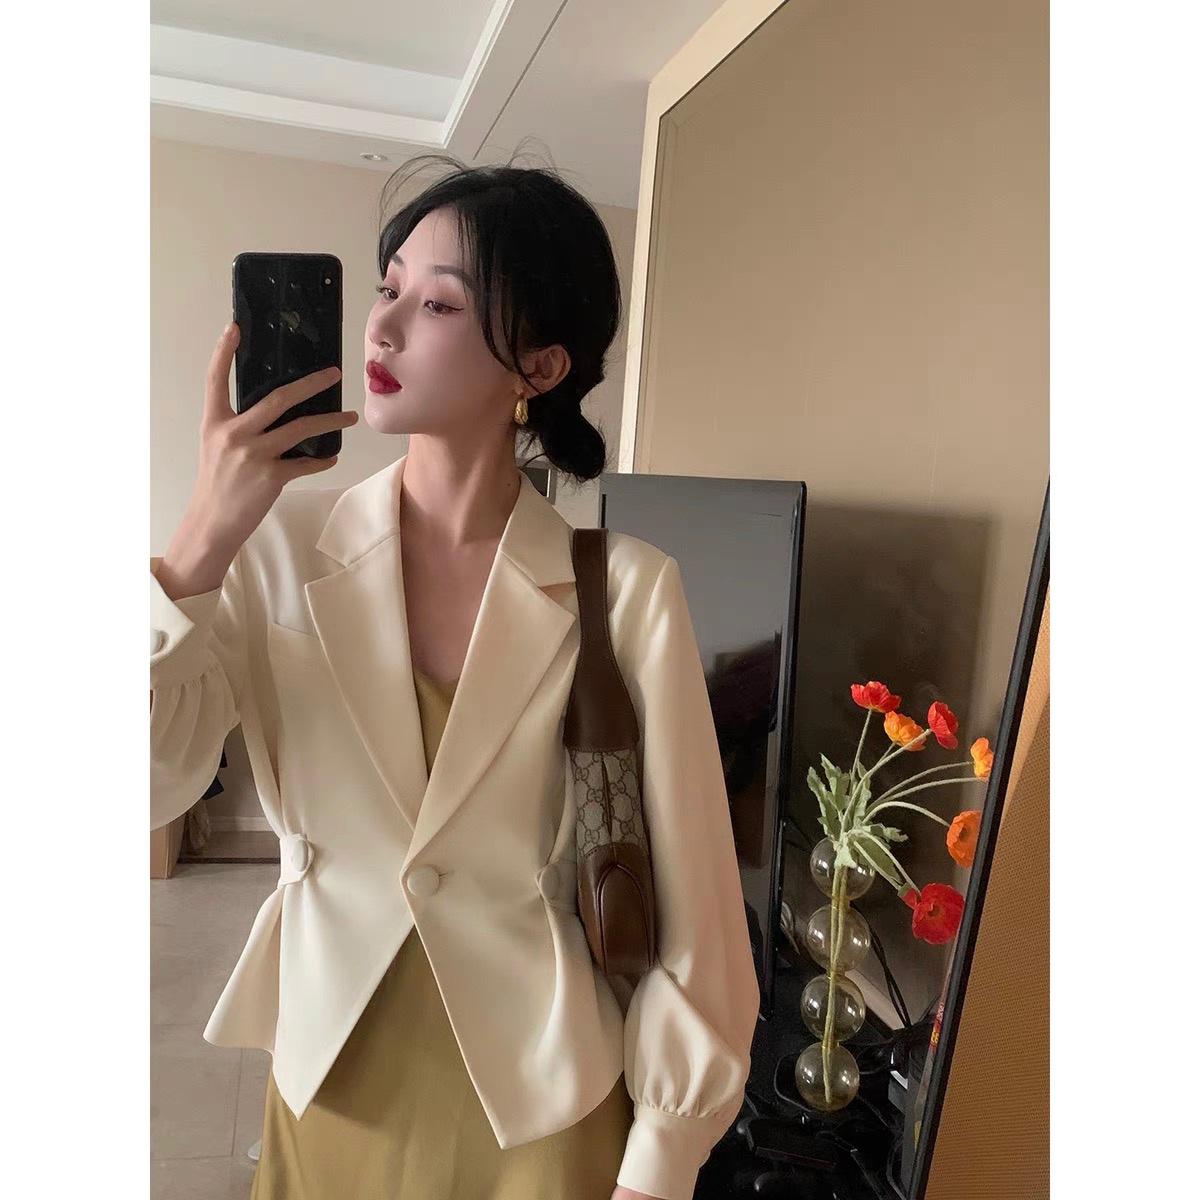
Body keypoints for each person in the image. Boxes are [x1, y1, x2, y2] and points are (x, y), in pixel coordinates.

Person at [150, 155, 760, 1200]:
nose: (382, 328)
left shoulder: (626, 588)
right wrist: (202, 534)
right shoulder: (273, 549)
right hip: (331, 1081)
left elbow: (699, 909)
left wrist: (661, 1161)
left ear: (539, 365)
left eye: (437, 304)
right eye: (386, 288)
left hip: (543, 1103)